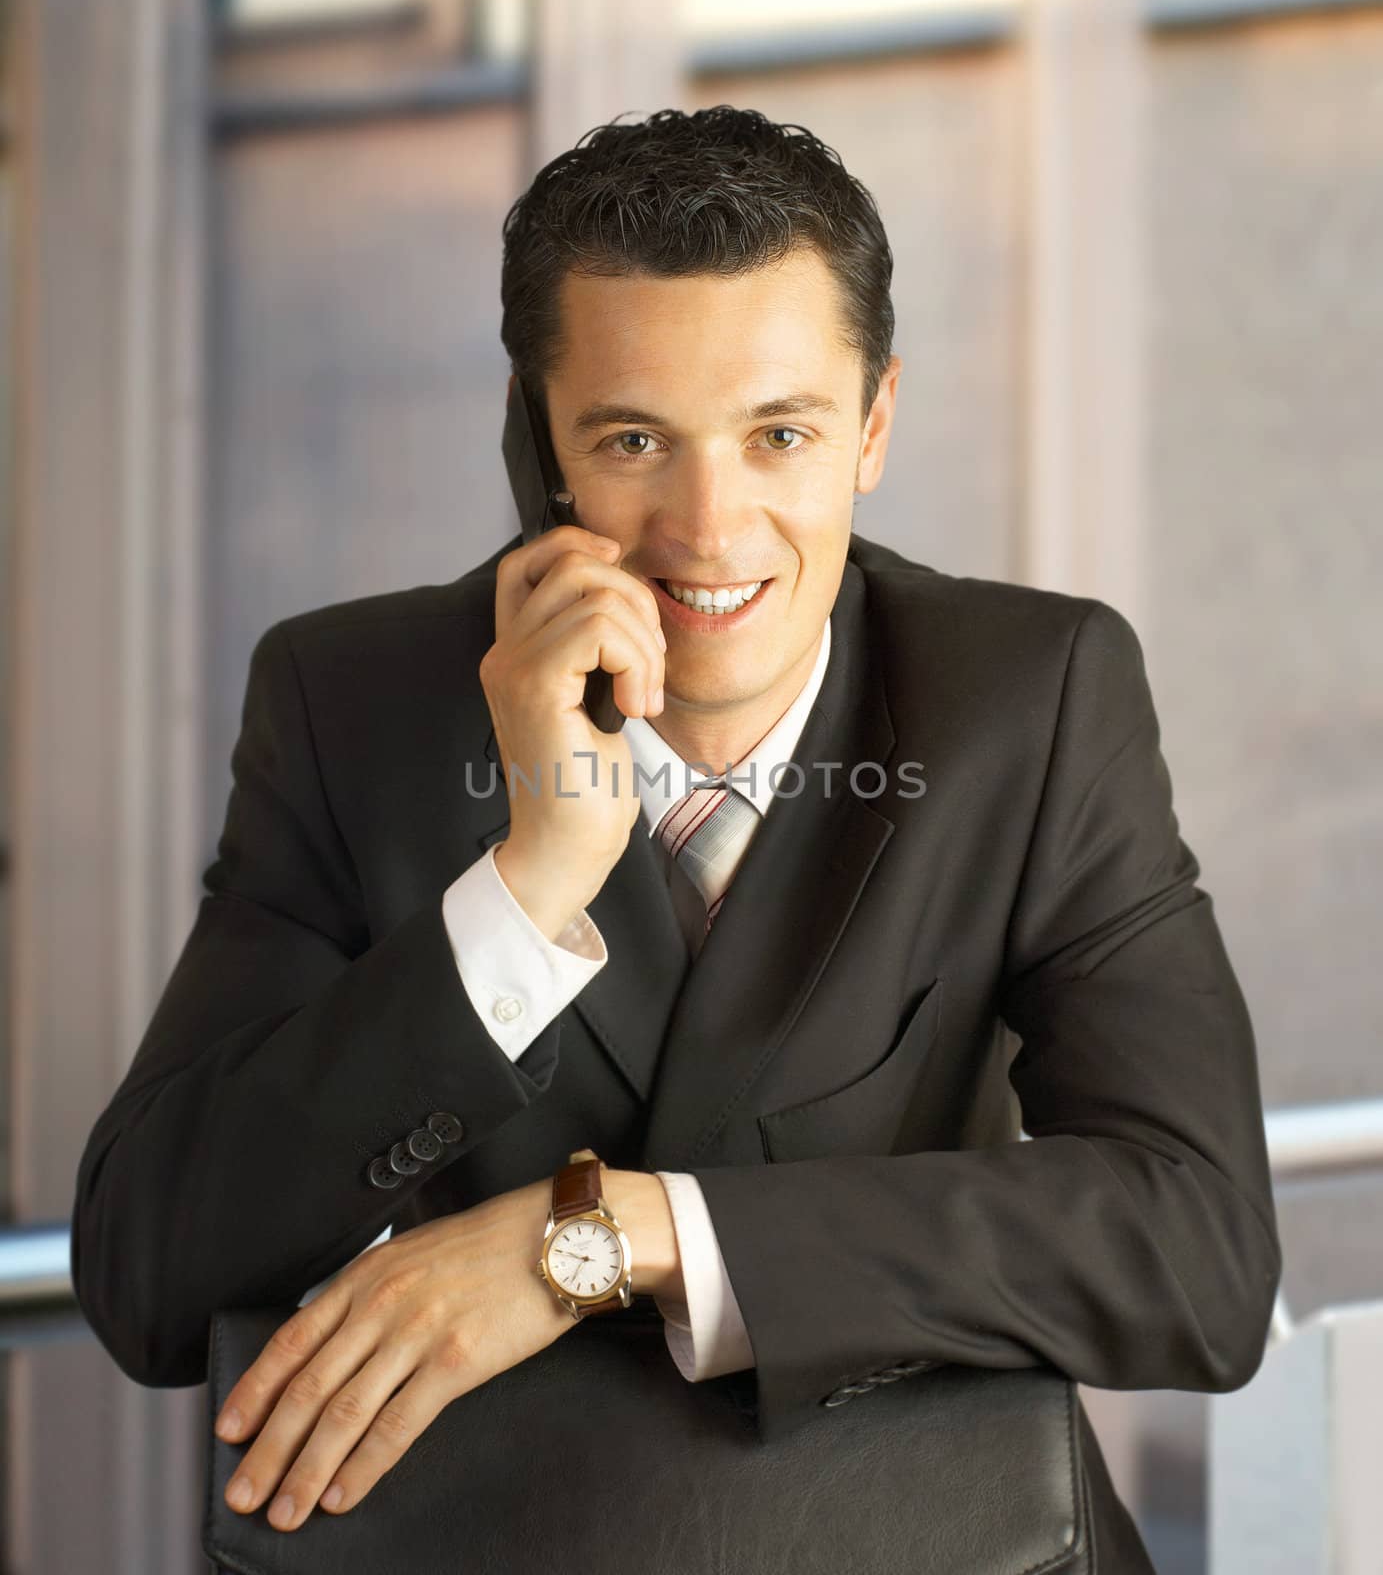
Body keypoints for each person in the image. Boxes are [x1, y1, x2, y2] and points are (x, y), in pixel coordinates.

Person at [70, 105, 1280, 1566]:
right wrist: (530, 889)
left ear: (875, 425)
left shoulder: (1032, 698)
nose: (708, 531)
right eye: (636, 439)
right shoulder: (354, 707)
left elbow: (1197, 1249)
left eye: (782, 434)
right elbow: (147, 1275)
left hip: (936, 1537)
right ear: (540, 444)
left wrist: (598, 1242)